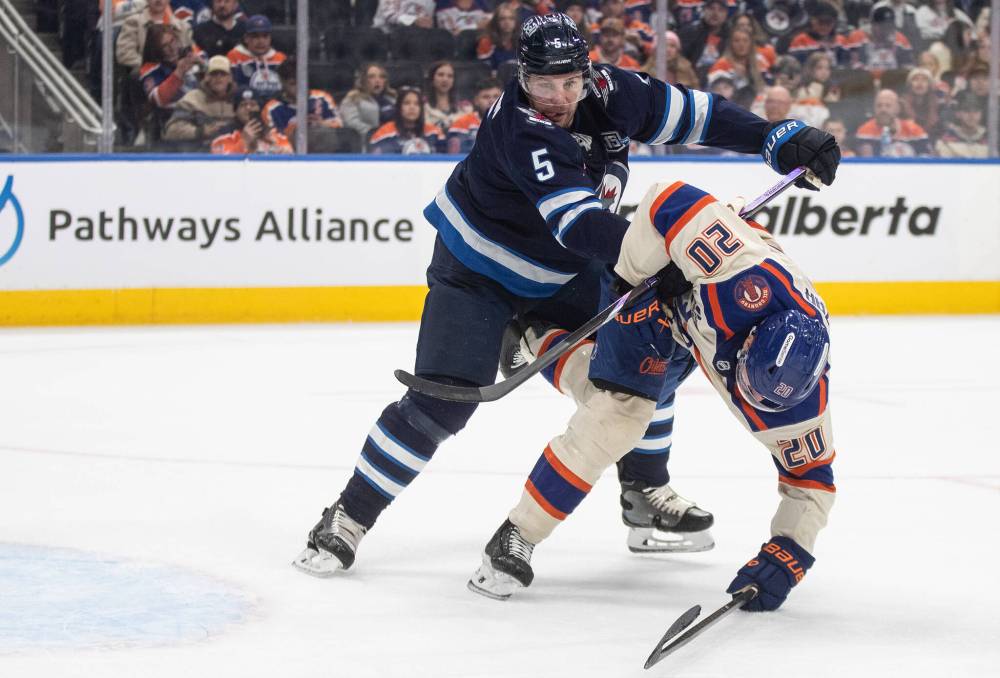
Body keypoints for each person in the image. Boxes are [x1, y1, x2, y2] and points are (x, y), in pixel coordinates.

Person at [290, 12, 839, 578]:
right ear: (521, 77)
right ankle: (348, 516)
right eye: (542, 83)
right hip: (479, 271)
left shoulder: (612, 91)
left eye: (570, 82)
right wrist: (670, 252)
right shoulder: (521, 127)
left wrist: (773, 136)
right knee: (443, 402)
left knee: (651, 351)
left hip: (569, 271)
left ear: (588, 73)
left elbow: (697, 114)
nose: (557, 97)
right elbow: (578, 223)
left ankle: (644, 494)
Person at [470, 177, 836, 612]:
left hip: (690, 328)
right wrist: (632, 279)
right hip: (656, 288)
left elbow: (812, 482)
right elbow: (668, 198)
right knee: (618, 416)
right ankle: (517, 534)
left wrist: (789, 555)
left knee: (613, 394)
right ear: (750, 341)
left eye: (761, 398)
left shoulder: (801, 407)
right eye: (747, 384)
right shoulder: (738, 277)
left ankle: (537, 341)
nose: (746, 398)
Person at [163, 53, 236, 146]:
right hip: (201, 151)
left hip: (235, 151)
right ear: (206, 77)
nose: (218, 78)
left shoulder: (239, 99)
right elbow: (172, 131)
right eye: (214, 74)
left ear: (230, 78)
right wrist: (200, 131)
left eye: (223, 74)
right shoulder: (192, 99)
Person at [262, 58, 342, 142]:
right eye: (293, 84)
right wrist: (293, 130)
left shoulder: (322, 98)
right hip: (289, 150)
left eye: (302, 81)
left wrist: (321, 124)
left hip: (322, 148)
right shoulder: (271, 108)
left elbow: (340, 126)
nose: (299, 87)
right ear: (282, 83)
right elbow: (272, 140)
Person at [115, 0, 192, 70]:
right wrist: (152, 68)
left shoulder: (183, 26)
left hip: (181, 73)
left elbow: (190, 53)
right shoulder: (133, 22)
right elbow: (125, 55)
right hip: (146, 75)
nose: (158, 0)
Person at [211, 88, 293, 154]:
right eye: (243, 105)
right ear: (235, 111)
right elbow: (222, 164)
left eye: (253, 104)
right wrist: (244, 142)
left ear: (260, 110)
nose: (248, 108)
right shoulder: (223, 134)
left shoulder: (274, 134)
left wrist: (281, 152)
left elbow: (289, 155)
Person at [368, 87, 446, 154]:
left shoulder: (435, 133)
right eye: (407, 103)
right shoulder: (384, 133)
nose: (412, 107)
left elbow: (446, 160)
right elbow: (375, 162)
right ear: (399, 108)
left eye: (416, 104)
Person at [226, 15, 286, 101]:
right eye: (255, 36)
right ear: (246, 38)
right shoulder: (235, 56)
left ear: (270, 38)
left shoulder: (280, 58)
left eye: (265, 36)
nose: (261, 41)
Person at [855, 88, 930, 156]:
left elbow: (926, 160)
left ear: (897, 108)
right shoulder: (865, 131)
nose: (883, 110)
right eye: (879, 106)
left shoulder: (914, 130)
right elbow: (868, 163)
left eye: (888, 106)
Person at [340, 63, 397, 141]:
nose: (377, 80)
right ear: (363, 80)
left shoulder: (392, 99)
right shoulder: (353, 99)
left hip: (396, 140)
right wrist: (376, 133)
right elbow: (351, 122)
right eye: (371, 77)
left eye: (381, 77)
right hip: (367, 142)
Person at [446, 78, 503, 153]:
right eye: (485, 97)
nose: (492, 101)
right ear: (476, 101)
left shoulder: (512, 124)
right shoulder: (461, 124)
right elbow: (454, 156)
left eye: (496, 96)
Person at [934, 90, 988, 157]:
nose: (972, 115)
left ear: (981, 114)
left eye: (976, 111)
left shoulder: (989, 139)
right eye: (966, 111)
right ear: (958, 114)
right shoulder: (946, 141)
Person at [424, 61, 465, 134]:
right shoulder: (422, 108)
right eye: (440, 75)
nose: (445, 79)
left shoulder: (464, 109)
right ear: (432, 78)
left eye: (450, 76)